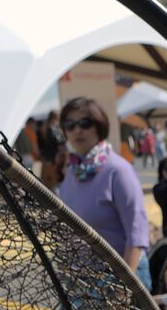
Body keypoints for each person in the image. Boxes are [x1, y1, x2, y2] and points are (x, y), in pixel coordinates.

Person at [48, 97, 151, 290]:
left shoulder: (118, 170)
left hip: (121, 278)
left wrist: (126, 286)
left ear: (99, 126)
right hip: (82, 278)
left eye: (85, 123)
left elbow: (137, 232)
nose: (77, 130)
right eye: (70, 125)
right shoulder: (73, 171)